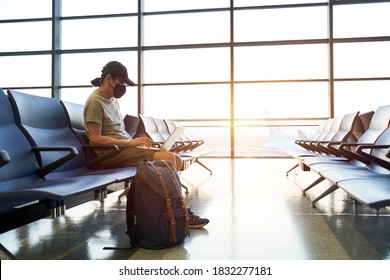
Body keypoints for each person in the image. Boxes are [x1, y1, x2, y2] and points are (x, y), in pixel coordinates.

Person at [84, 60, 209, 229]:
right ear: (108, 79)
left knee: (175, 159)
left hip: (124, 149)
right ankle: (180, 213)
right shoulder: (95, 102)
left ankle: (175, 211)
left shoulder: (113, 100)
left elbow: (117, 131)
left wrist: (137, 145)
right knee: (170, 159)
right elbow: (95, 139)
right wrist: (130, 143)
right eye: (120, 82)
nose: (123, 87)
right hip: (110, 154)